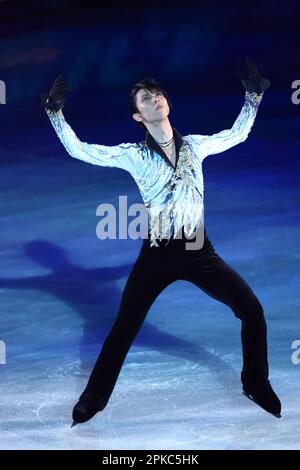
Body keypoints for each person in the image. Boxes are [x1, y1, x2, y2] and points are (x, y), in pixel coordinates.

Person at [40, 58, 281, 426]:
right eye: (145, 99)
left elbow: (236, 134)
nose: (155, 100)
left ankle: (256, 383)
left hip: (200, 251)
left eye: (157, 94)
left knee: (252, 310)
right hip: (157, 255)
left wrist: (253, 96)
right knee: (124, 329)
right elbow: (82, 150)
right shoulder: (134, 155)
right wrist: (56, 114)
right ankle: (93, 398)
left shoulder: (195, 146)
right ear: (138, 116)